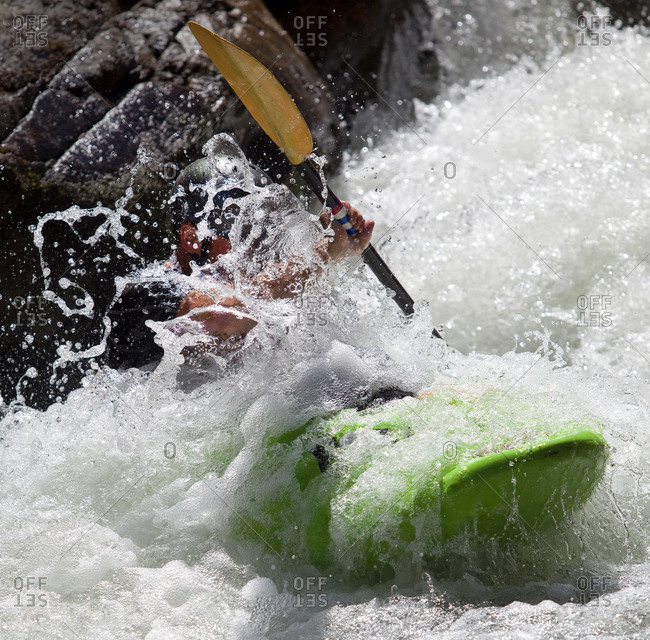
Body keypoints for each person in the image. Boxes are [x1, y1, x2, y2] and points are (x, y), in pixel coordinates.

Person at [105, 134, 374, 369]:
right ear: (191, 239)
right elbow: (222, 319)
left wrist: (327, 244)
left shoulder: (240, 280)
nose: (256, 248)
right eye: (243, 236)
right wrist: (323, 254)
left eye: (261, 235)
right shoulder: (146, 294)